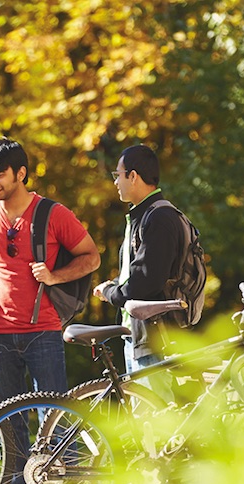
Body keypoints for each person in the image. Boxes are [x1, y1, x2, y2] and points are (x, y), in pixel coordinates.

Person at [0, 138, 99, 484]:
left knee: (54, 414)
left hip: (44, 330)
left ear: (21, 173)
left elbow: (92, 256)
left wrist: (55, 276)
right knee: (8, 420)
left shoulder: (52, 214)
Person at [94, 144, 187, 373]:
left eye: (118, 175)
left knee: (157, 408)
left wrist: (110, 293)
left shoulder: (159, 218)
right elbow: (138, 273)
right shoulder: (143, 215)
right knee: (144, 407)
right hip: (139, 336)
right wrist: (115, 286)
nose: (115, 182)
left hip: (156, 338)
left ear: (133, 176)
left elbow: (145, 283)